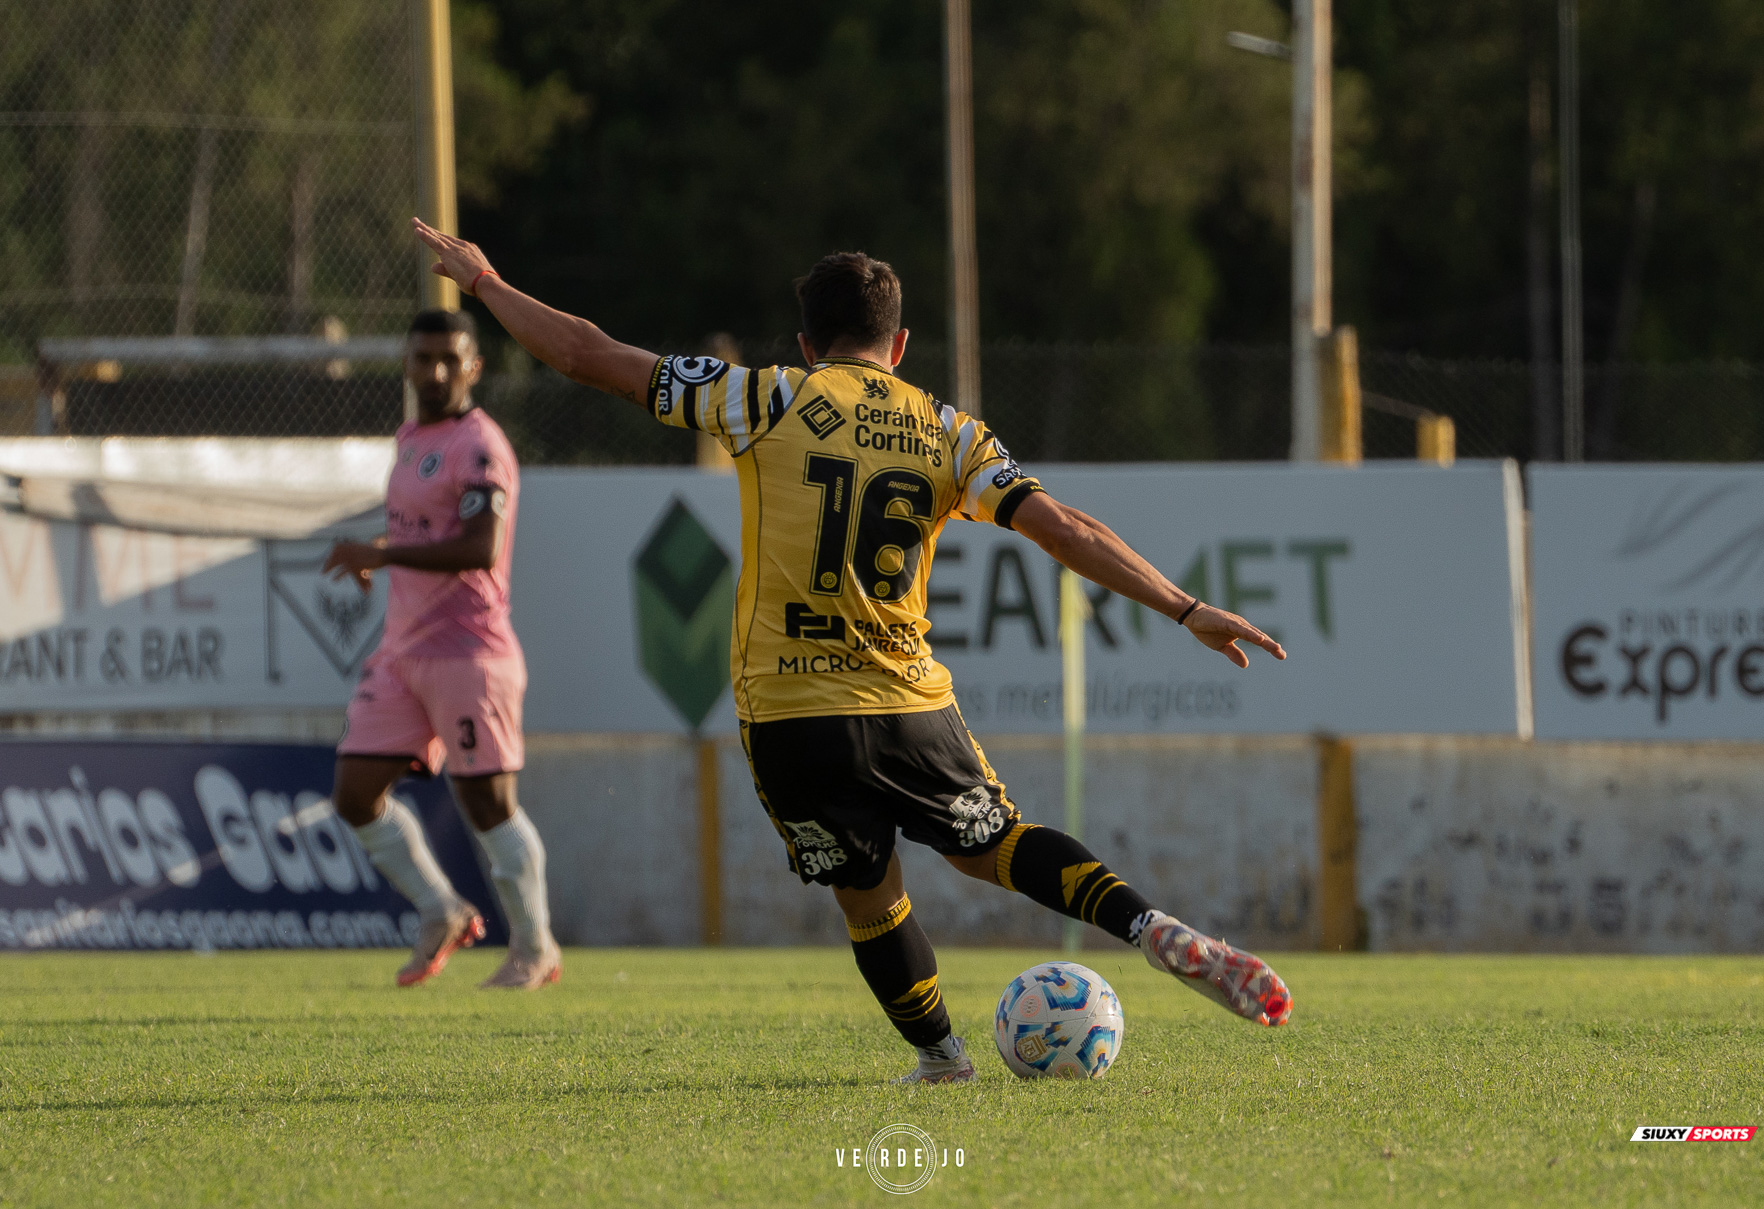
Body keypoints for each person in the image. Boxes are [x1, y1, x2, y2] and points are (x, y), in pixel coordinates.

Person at [412, 220, 1291, 1077]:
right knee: (1000, 842)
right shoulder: (951, 431)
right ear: (899, 343)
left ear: (806, 341)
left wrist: (485, 282)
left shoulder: (762, 396)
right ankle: (1145, 928)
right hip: (910, 702)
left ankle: (942, 1056)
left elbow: (586, 353)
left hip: (792, 714)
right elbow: (1062, 528)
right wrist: (1185, 607)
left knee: (869, 899)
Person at [323, 309, 559, 991]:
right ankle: (441, 910)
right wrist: (383, 556)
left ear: (472, 367)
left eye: (448, 359)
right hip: (402, 652)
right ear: (406, 362)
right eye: (422, 357)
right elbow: (421, 526)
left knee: (487, 803)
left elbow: (480, 546)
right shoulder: (410, 437)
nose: (433, 372)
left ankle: (535, 947)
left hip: (468, 651)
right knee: (356, 791)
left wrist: (383, 552)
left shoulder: (480, 445)